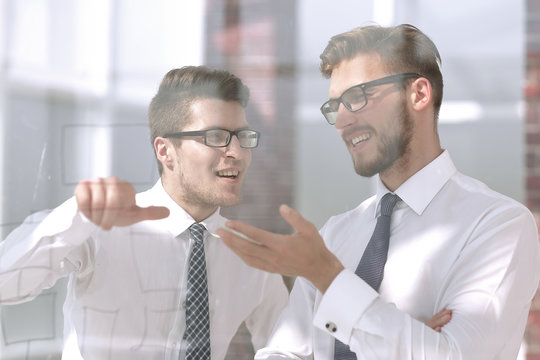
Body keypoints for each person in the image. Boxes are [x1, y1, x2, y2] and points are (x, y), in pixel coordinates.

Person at [217, 24, 540, 359]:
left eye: (357, 97)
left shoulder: (498, 226)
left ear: (418, 94)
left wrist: (330, 278)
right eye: (334, 107)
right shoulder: (334, 235)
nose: (341, 120)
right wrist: (406, 342)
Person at [0, 65, 289, 360]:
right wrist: (78, 214)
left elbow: (288, 346)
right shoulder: (101, 227)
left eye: (243, 137)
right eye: (216, 137)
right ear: (165, 151)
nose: (237, 152)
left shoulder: (249, 254)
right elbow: (5, 285)